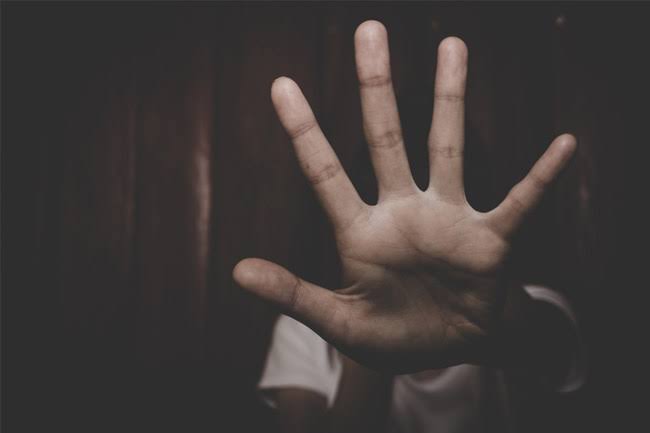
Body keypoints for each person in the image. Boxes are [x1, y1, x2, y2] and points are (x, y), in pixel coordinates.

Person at [233, 20, 585, 433]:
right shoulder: (309, 328)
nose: (418, 231)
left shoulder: (517, 303)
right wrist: (372, 353)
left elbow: (546, 342)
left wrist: (496, 320)